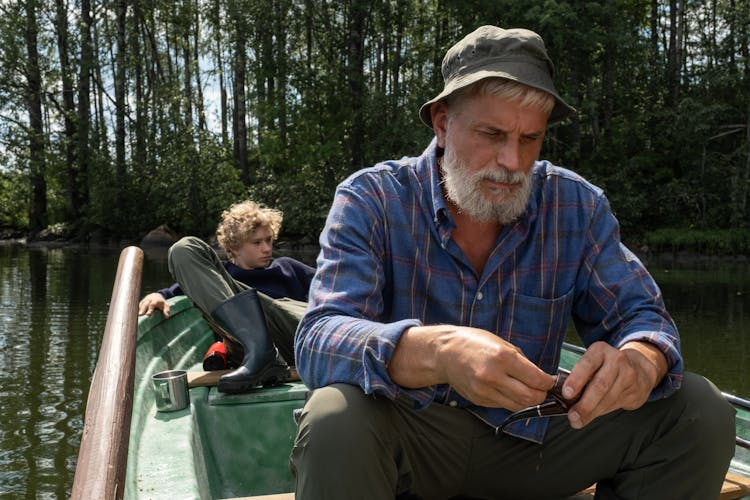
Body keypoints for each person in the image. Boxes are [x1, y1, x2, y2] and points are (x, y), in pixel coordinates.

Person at [291, 26, 736, 499]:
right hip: (412, 438)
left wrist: (640, 361)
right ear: (442, 123)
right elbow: (319, 340)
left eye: (530, 138)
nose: (512, 160)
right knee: (334, 418)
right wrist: (439, 351)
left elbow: (642, 318)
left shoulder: (576, 206)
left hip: (538, 441)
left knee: (697, 409)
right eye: (493, 134)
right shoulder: (372, 198)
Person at [138, 200, 313, 393]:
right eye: (257, 242)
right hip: (246, 348)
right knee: (184, 248)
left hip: (297, 331)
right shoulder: (218, 278)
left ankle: (265, 355)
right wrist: (157, 295)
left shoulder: (288, 267)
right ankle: (261, 353)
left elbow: (337, 286)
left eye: (269, 240)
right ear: (234, 246)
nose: (266, 248)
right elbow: (176, 289)